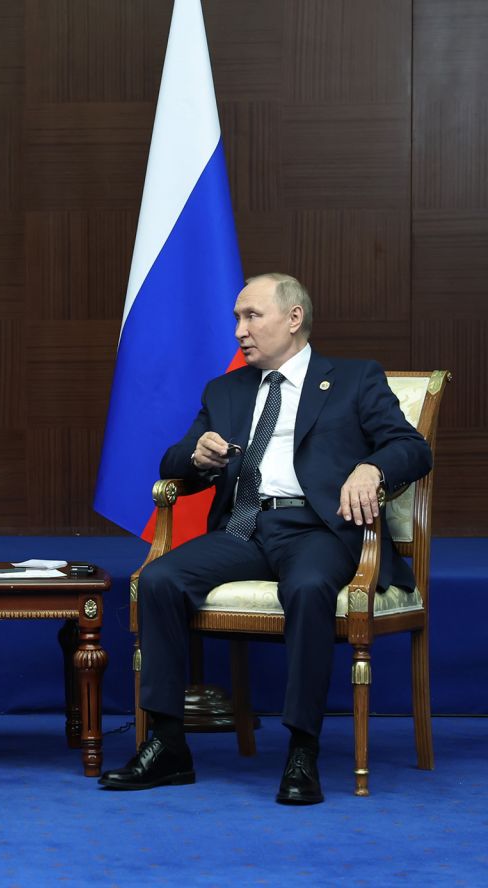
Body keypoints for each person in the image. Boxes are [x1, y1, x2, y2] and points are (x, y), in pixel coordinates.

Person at [99, 273, 431, 805]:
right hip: (245, 527)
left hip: (318, 528)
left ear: (293, 319)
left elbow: (411, 448)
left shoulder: (352, 379)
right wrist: (196, 455)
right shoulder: (226, 390)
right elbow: (173, 462)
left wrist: (371, 469)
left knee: (306, 588)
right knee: (159, 578)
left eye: (252, 316)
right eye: (236, 318)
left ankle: (303, 749)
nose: (239, 331)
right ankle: (167, 744)